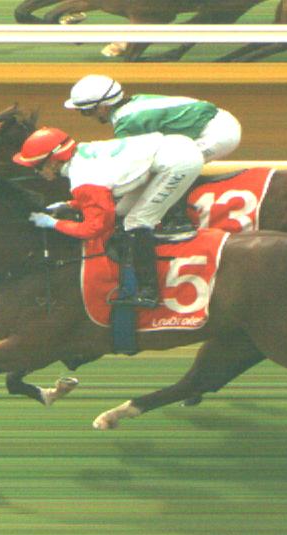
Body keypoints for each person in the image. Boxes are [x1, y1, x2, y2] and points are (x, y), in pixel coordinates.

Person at [49, 75, 238, 347]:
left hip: (214, 135)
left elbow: (139, 170)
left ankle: (163, 256)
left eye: (87, 111)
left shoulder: (127, 122)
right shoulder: (130, 107)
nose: (86, 116)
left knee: (140, 215)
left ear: (103, 106)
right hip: (214, 125)